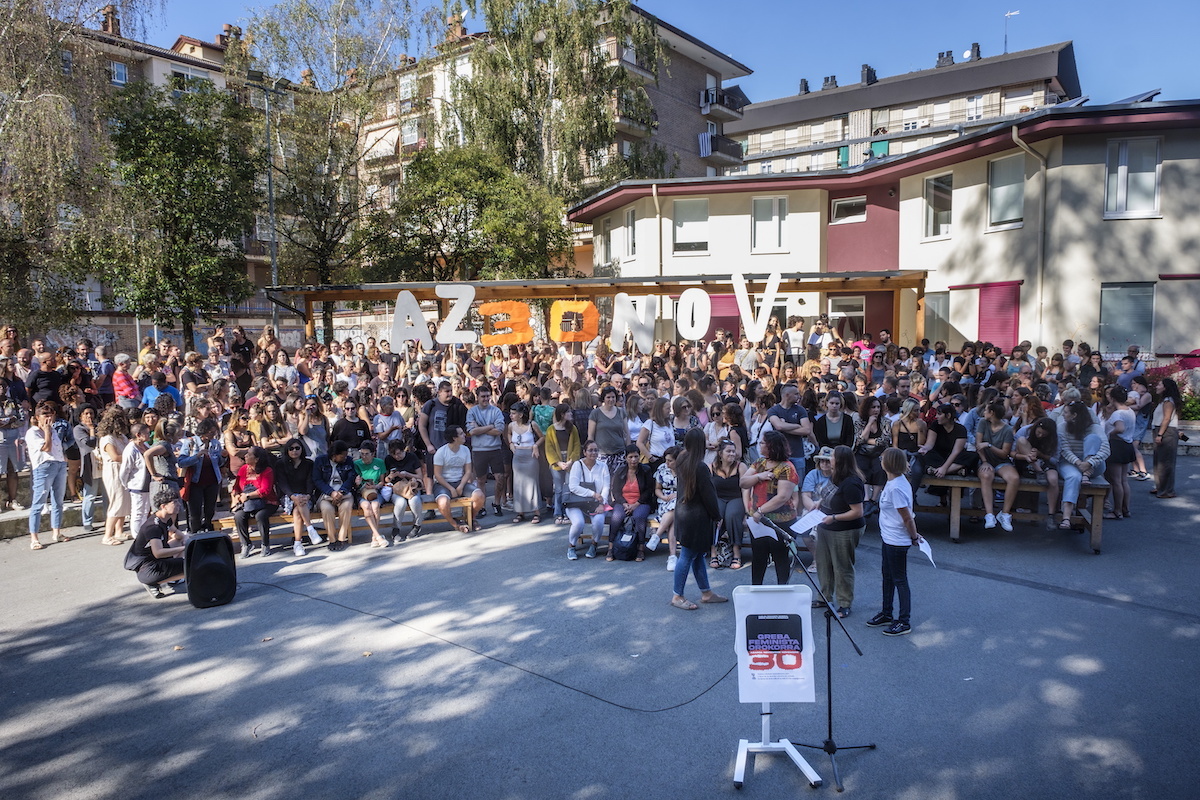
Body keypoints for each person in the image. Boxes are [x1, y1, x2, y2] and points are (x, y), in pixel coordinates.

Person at [669, 428, 727, 610]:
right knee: (687, 555)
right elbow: (708, 495)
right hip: (697, 517)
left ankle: (706, 592)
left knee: (697, 555)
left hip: (683, 513)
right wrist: (717, 516)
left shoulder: (682, 459)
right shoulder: (700, 466)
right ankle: (677, 595)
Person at [867, 448, 922, 636]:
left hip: (896, 541)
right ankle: (886, 612)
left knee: (899, 579)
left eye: (882, 458)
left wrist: (914, 537)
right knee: (888, 577)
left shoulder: (897, 487)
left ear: (888, 463)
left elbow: (907, 517)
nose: (880, 460)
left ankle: (904, 621)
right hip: (888, 538)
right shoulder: (894, 482)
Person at [814, 445, 866, 618]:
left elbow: (857, 512)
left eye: (833, 457)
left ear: (840, 461)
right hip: (825, 525)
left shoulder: (852, 482)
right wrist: (819, 503)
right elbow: (830, 494)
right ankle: (824, 596)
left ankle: (844, 603)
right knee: (823, 563)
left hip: (844, 529)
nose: (830, 459)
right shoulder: (836, 476)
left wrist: (834, 518)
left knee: (842, 566)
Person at [744, 430, 799, 587]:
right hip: (758, 521)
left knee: (780, 557)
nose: (760, 444)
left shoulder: (787, 468)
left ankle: (782, 592)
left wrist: (760, 511)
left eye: (763, 442)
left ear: (772, 446)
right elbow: (743, 482)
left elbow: (782, 497)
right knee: (758, 557)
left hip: (781, 522)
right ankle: (756, 591)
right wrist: (758, 477)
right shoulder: (759, 463)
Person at [1057, 401, 1110, 528]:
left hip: (1094, 466)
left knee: (1093, 439)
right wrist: (1079, 463)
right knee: (1073, 477)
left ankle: (1086, 474)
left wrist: (1089, 463)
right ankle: (1066, 517)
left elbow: (1106, 449)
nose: (1063, 415)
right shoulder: (1062, 427)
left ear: (1074, 415)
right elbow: (1064, 449)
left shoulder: (1095, 428)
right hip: (1071, 462)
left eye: (1065, 412)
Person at [25, 401, 69, 550]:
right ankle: (34, 538)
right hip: (44, 467)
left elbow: (57, 448)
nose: (48, 418)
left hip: (59, 464)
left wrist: (63, 460)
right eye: (45, 415)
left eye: (50, 415)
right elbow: (47, 447)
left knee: (58, 501)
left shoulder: (54, 430)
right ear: (37, 417)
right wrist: (47, 431)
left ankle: (56, 532)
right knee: (38, 502)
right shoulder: (33, 432)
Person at [128, 490, 187, 598]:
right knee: (190, 565)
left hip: (153, 561)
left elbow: (178, 535)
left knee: (180, 542)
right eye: (174, 502)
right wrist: (185, 548)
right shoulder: (153, 527)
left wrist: (184, 539)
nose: (179, 504)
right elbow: (158, 553)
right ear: (163, 506)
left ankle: (173, 578)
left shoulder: (164, 519)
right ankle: (153, 582)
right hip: (148, 569)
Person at [975, 400, 1020, 532]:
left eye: (986, 410)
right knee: (986, 475)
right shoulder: (983, 423)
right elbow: (978, 445)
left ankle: (1005, 514)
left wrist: (989, 445)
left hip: (1001, 461)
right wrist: (984, 461)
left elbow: (1004, 453)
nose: (984, 412)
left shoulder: (1007, 429)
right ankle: (989, 514)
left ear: (992, 413)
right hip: (984, 459)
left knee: (1014, 478)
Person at [275, 437, 323, 556]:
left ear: (302, 449)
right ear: (287, 450)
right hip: (288, 497)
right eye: (291, 449)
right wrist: (292, 496)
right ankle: (310, 528)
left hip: (305, 498)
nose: (294, 451)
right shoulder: (280, 464)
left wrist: (307, 495)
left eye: (297, 448)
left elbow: (310, 481)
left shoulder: (309, 464)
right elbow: (282, 483)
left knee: (298, 511)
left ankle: (298, 543)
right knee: (298, 504)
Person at [432, 424, 485, 533]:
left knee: (479, 496)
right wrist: (451, 488)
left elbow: (468, 471)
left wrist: (461, 485)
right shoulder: (441, 452)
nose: (464, 435)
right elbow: (438, 475)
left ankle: (471, 519)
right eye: (461, 434)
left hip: (461, 482)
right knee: (443, 502)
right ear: (454, 438)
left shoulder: (465, 450)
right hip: (443, 484)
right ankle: (455, 524)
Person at [564, 440, 610, 560]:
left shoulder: (603, 466)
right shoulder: (577, 465)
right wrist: (593, 494)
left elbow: (606, 487)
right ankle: (571, 546)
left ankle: (594, 544)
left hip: (596, 503)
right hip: (576, 503)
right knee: (579, 522)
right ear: (584, 452)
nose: (593, 453)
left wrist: (601, 503)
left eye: (595, 450)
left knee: (599, 521)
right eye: (590, 450)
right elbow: (573, 487)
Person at [465, 384, 506, 516]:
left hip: (495, 449)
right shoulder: (472, 412)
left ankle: (496, 503)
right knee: (481, 479)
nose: (486, 399)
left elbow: (499, 430)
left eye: (488, 396)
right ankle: (481, 506)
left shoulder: (496, 411)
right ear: (477, 397)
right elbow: (472, 431)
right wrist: (490, 426)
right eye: (483, 396)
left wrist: (481, 428)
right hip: (479, 450)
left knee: (500, 478)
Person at [233, 446, 280, 558]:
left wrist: (248, 496)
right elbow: (236, 487)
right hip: (247, 503)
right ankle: (246, 544)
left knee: (261, 515)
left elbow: (266, 490)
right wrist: (237, 495)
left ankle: (265, 544)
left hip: (267, 502)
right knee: (239, 516)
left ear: (257, 459)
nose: (245, 456)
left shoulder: (267, 470)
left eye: (249, 454)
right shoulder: (243, 469)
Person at [608, 444, 652, 562]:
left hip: (641, 502)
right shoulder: (620, 470)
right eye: (631, 457)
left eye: (636, 456)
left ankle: (641, 548)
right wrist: (624, 503)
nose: (634, 460)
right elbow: (615, 491)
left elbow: (648, 491)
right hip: (623, 502)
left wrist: (636, 504)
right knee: (616, 517)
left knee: (639, 517)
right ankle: (611, 547)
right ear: (626, 458)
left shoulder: (645, 470)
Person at [709, 439, 748, 571]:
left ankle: (736, 552)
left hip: (736, 497)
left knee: (732, 515)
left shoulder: (740, 466)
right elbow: (708, 490)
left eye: (733, 451)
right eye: (728, 451)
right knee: (715, 515)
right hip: (718, 497)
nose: (732, 454)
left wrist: (747, 510)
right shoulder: (711, 467)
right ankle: (713, 552)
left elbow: (746, 489)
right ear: (720, 453)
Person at [314, 441, 358, 550]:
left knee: (346, 507)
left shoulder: (348, 461)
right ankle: (332, 539)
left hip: (344, 494)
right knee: (327, 509)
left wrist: (341, 492)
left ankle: (341, 538)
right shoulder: (320, 461)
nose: (345, 458)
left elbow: (351, 477)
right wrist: (331, 492)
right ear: (334, 456)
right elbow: (317, 480)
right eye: (342, 456)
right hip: (325, 495)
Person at [98, 405, 132, 545]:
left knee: (124, 500)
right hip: (113, 471)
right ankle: (107, 535)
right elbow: (115, 457)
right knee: (116, 501)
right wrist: (132, 457)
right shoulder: (107, 439)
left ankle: (119, 531)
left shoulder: (121, 437)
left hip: (123, 470)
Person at [382, 438, 424, 542]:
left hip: (411, 487)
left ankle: (417, 525)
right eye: (394, 455)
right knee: (400, 503)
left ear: (403, 449)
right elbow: (385, 480)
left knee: (414, 500)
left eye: (399, 453)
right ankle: (396, 529)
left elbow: (420, 476)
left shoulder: (412, 457)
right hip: (397, 489)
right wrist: (391, 476)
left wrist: (407, 474)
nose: (397, 457)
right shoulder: (388, 459)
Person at [507, 402, 543, 524]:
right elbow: (508, 435)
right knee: (518, 483)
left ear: (521, 414)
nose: (511, 416)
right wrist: (511, 444)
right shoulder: (511, 426)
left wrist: (535, 445)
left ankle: (536, 511)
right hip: (517, 456)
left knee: (531, 483)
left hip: (530, 456)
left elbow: (542, 437)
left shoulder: (532, 425)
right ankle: (520, 511)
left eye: (513, 413)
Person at [354, 441, 391, 547]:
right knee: (366, 506)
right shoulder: (357, 464)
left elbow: (382, 482)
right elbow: (356, 485)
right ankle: (378, 536)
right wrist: (358, 484)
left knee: (375, 506)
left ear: (373, 454)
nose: (364, 456)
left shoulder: (379, 462)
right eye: (362, 453)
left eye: (366, 454)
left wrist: (375, 486)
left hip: (376, 491)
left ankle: (374, 536)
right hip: (362, 492)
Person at [1150, 378, 1180, 499]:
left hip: (1166, 432)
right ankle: (1160, 487)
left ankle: (1167, 490)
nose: (1157, 386)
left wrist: (1160, 434)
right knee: (1159, 460)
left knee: (1166, 461)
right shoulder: (1163, 401)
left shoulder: (1168, 401)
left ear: (1165, 388)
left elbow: (1166, 418)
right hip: (1159, 429)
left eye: (1159, 384)